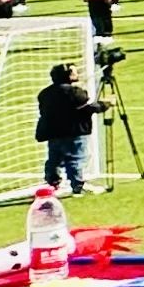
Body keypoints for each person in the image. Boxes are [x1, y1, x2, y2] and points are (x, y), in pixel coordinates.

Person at [34, 64, 105, 195]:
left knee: (54, 159)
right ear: (68, 75)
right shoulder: (75, 92)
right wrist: (103, 105)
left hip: (53, 133)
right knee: (75, 159)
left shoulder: (44, 94)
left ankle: (52, 183)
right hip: (74, 132)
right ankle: (77, 186)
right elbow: (86, 109)